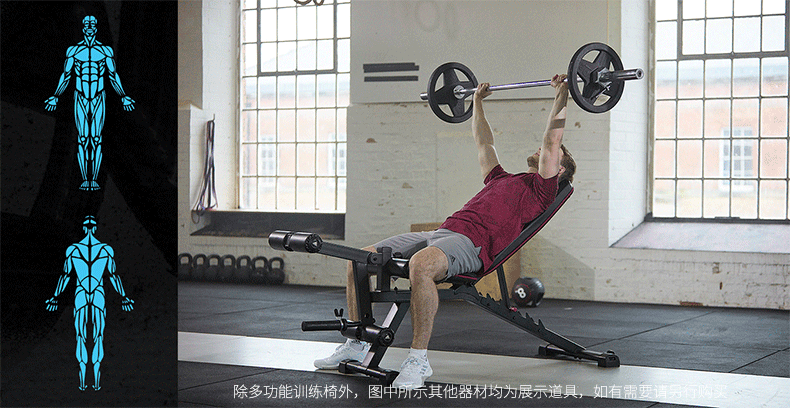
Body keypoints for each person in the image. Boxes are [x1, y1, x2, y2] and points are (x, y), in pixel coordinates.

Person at [314, 74, 576, 390]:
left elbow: (552, 138)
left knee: (421, 266)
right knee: (357, 259)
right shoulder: (502, 178)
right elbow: (484, 142)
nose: (542, 149)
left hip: (472, 245)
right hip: (441, 232)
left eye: (552, 154)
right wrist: (476, 102)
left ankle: (418, 360)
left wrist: (562, 93)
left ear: (559, 169)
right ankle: (356, 343)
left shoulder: (542, 191)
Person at [45, 15, 135, 191]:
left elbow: (113, 76)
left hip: (98, 97)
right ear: (83, 28)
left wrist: (123, 96)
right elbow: (66, 75)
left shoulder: (105, 51)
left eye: (92, 24)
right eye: (86, 25)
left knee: (96, 138)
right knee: (83, 137)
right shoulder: (73, 51)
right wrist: (55, 96)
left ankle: (93, 179)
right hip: (80, 97)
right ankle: (85, 179)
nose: (89, 27)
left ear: (96, 28)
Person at [45, 216, 134, 391]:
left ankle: (84, 382)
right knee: (95, 335)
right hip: (95, 292)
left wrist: (55, 297)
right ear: (95, 228)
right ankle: (94, 382)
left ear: (84, 228)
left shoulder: (75, 249)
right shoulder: (104, 249)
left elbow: (65, 276)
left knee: (84, 335)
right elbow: (113, 276)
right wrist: (124, 297)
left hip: (83, 292)